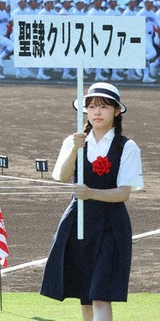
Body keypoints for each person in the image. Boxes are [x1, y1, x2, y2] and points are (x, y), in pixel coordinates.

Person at [41, 83, 143, 320]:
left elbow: (123, 193)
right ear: (85, 110)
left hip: (112, 225)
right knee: (85, 293)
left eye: (104, 107)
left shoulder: (127, 146)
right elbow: (63, 176)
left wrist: (91, 193)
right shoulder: (74, 141)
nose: (97, 112)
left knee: (101, 293)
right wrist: (74, 150)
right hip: (79, 221)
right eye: (93, 106)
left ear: (116, 111)